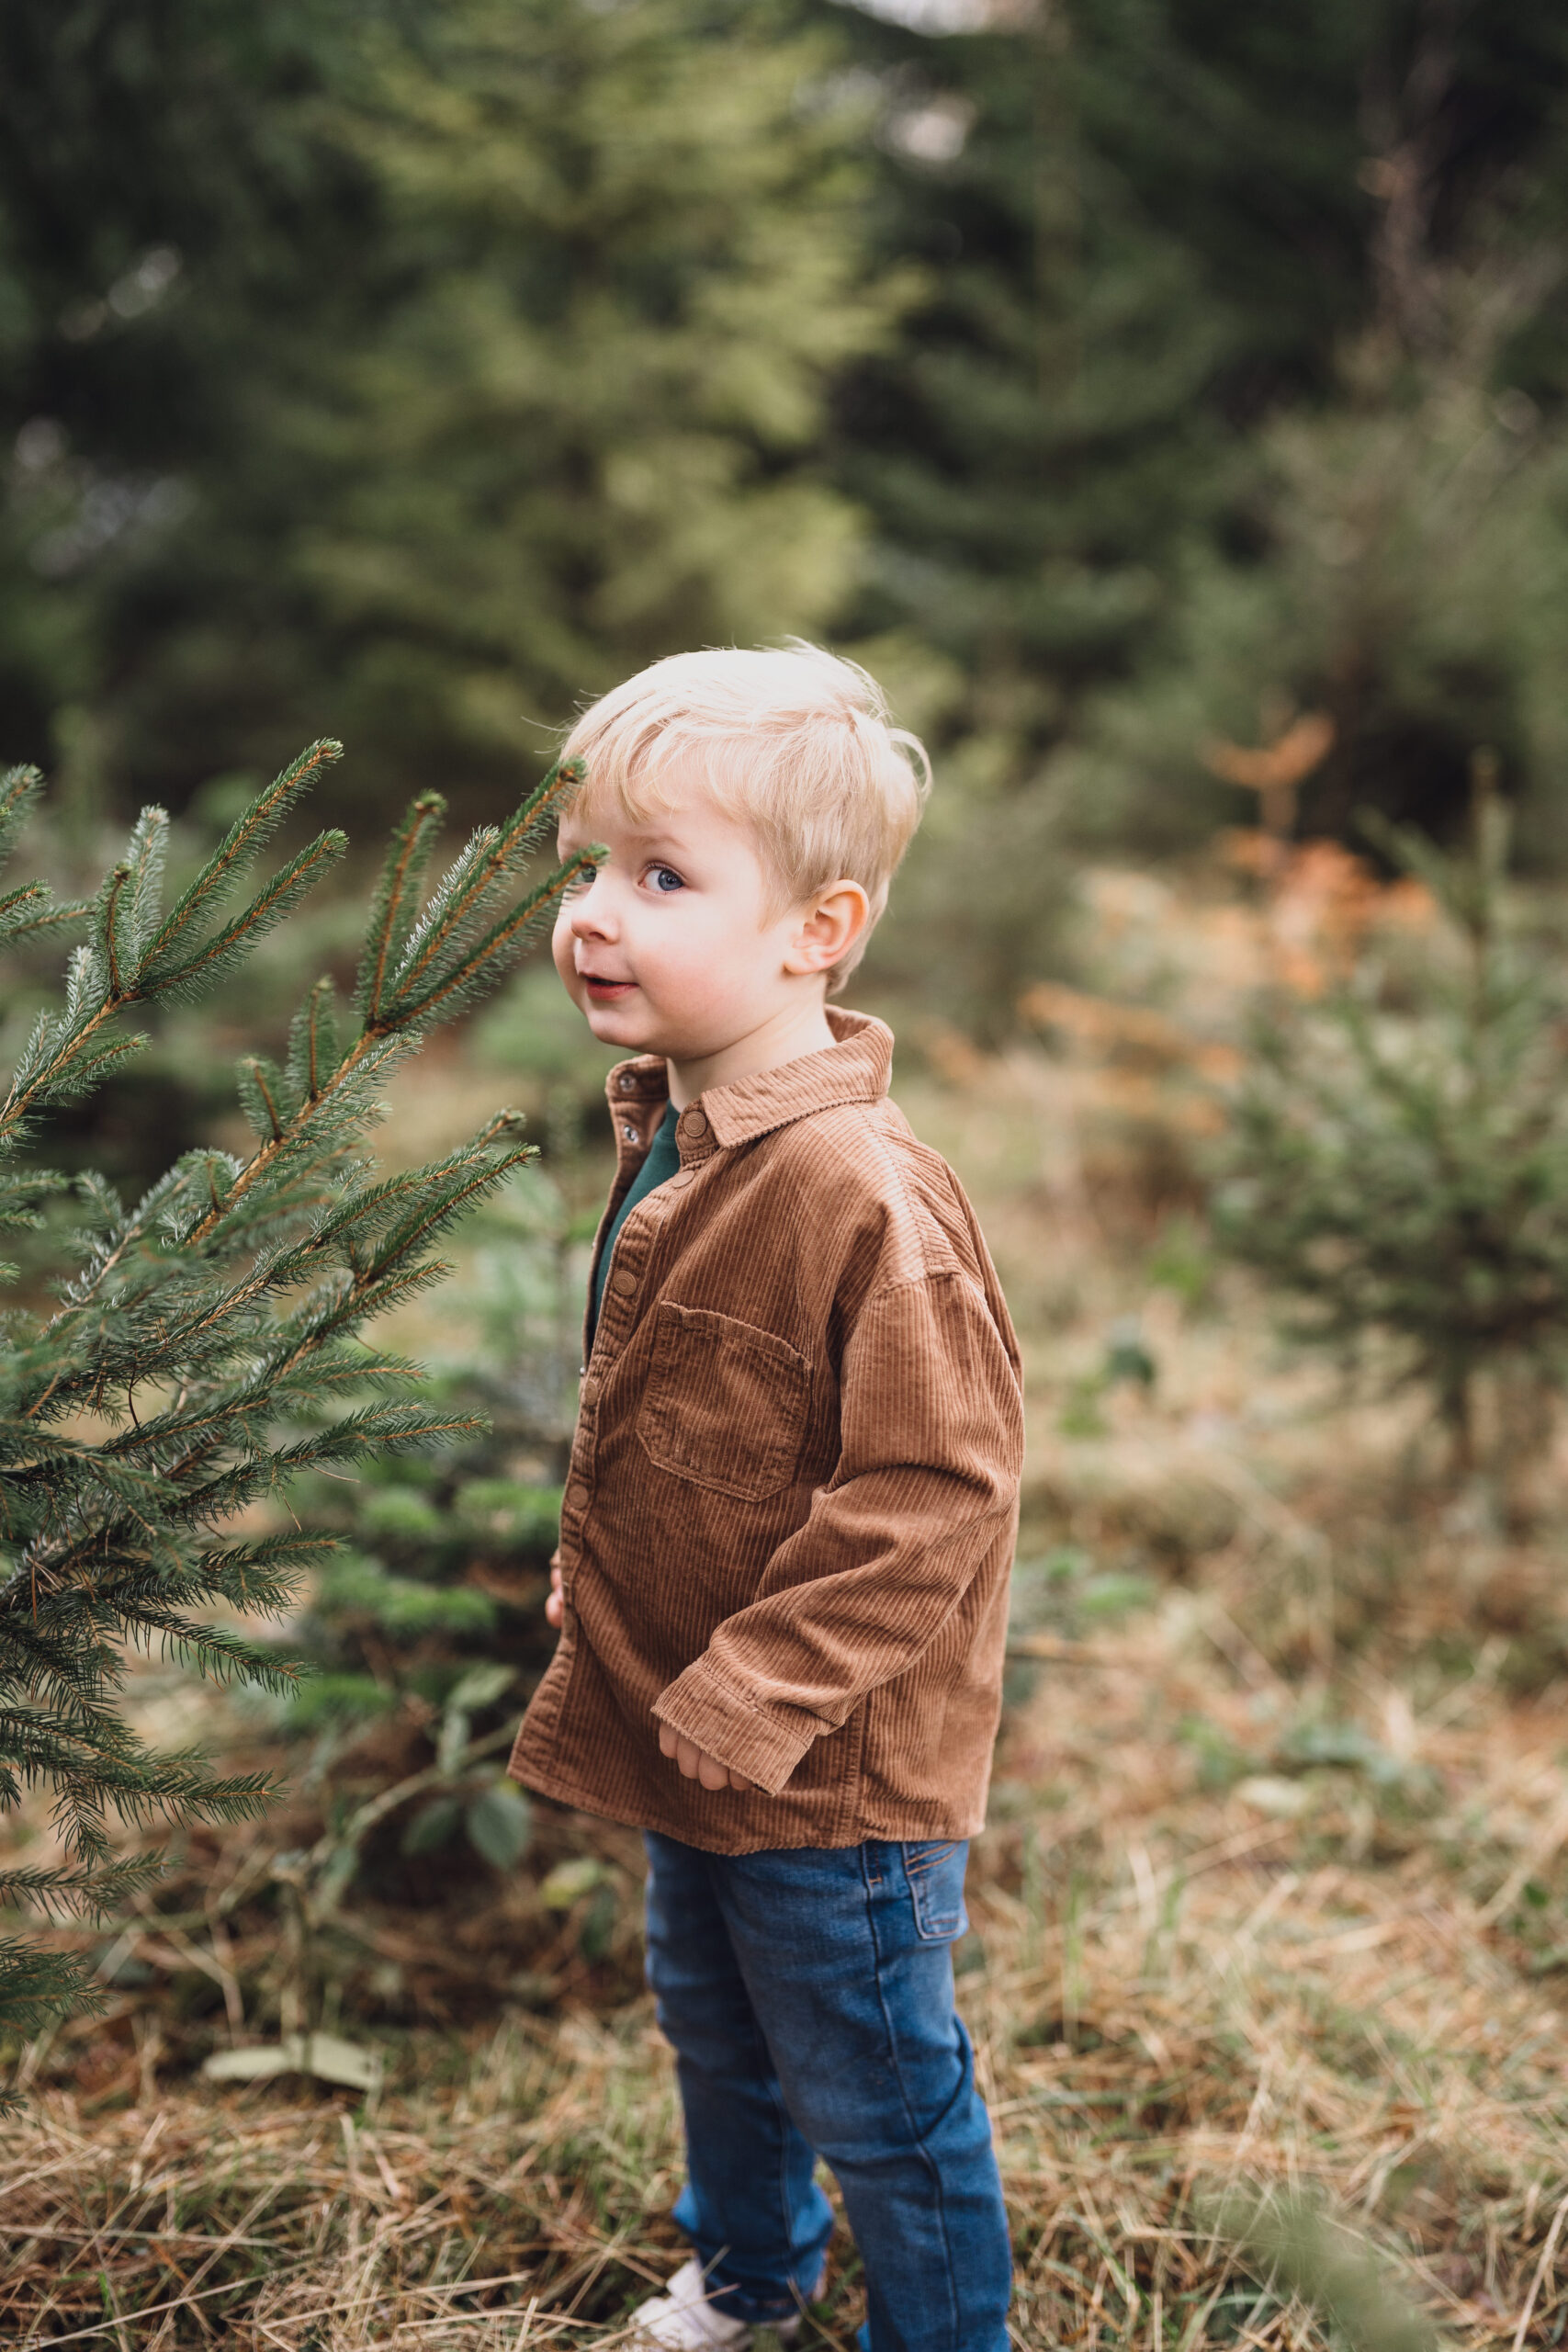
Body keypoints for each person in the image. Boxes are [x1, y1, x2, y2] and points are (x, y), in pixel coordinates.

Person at [507, 643, 1024, 2352]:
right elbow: (677, 1428)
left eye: (661, 876)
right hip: (686, 1725)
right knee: (714, 2030)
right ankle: (748, 2271)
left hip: (829, 1772)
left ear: (820, 929)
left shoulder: (861, 1195)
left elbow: (934, 1490)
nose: (595, 910)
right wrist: (609, 1591)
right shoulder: (673, 1133)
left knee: (877, 2085)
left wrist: (758, 1688)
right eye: (590, 863)